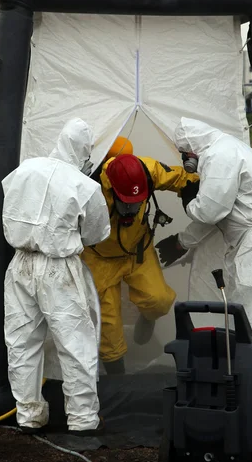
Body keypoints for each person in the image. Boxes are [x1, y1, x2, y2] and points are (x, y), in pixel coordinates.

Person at [2, 118, 111, 434]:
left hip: (20, 264)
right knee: (76, 343)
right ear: (83, 150)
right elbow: (97, 232)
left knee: (22, 342)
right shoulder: (84, 185)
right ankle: (82, 419)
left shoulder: (23, 170)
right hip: (59, 267)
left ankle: (29, 415)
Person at [156, 117, 252, 367]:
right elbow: (217, 216)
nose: (185, 160)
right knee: (245, 321)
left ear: (191, 149)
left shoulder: (219, 155)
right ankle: (249, 388)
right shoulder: (225, 149)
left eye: (184, 153)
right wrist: (182, 241)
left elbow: (210, 211)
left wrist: (190, 204)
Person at [83, 149, 199, 374]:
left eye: (137, 203)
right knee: (108, 325)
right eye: (127, 203)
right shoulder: (88, 188)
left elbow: (182, 178)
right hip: (99, 258)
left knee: (158, 300)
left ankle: (148, 318)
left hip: (137, 250)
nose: (132, 209)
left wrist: (201, 192)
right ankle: (118, 378)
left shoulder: (148, 171)